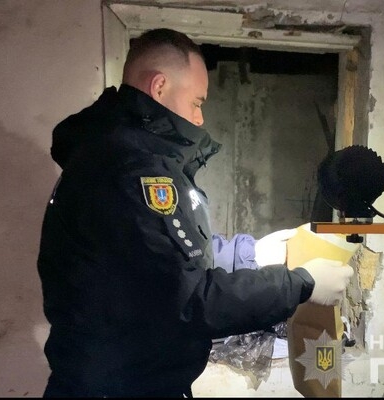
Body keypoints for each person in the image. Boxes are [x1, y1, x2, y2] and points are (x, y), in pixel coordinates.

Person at [37, 28, 354, 398]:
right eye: (197, 102)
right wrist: (301, 284)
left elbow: (163, 257)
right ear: (159, 87)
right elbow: (186, 299)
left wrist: (251, 253)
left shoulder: (115, 156)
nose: (200, 118)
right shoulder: (131, 170)